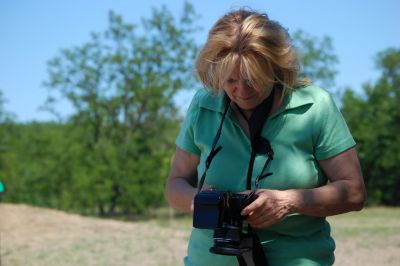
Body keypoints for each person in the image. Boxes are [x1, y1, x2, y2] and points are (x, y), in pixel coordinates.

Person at [165, 8, 366, 266]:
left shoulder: (315, 105)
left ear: (275, 66)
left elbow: (354, 192)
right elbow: (175, 184)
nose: (241, 91)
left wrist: (288, 202)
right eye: (230, 80)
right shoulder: (203, 104)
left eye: (252, 79)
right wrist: (198, 200)